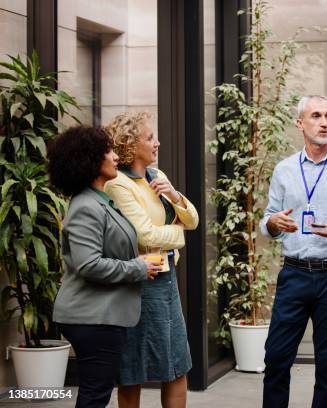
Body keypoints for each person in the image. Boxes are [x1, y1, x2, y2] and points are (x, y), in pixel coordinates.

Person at [260, 95, 327, 408]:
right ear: (300, 123)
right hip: (293, 274)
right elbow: (267, 220)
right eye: (316, 116)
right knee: (277, 358)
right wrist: (274, 222)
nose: (324, 122)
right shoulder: (284, 170)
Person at [49, 126, 162, 408]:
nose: (115, 157)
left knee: (95, 392)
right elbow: (89, 264)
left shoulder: (101, 200)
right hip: (91, 317)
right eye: (108, 152)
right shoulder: (86, 206)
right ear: (89, 161)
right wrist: (137, 267)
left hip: (101, 316)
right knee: (95, 394)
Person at [105, 112, 199, 408]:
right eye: (150, 137)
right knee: (132, 371)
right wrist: (178, 234)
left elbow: (193, 220)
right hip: (140, 283)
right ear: (131, 146)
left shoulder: (158, 177)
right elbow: (144, 235)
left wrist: (174, 195)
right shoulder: (118, 184)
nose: (157, 143)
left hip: (167, 279)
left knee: (177, 365)